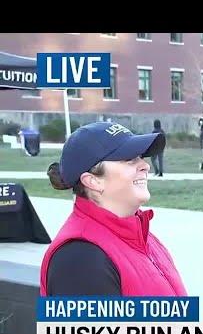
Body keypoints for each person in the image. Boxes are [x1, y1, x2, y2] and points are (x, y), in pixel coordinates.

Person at [41, 121, 187, 297]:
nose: (145, 165)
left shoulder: (142, 236)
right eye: (129, 159)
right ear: (93, 181)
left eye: (140, 157)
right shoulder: (81, 259)